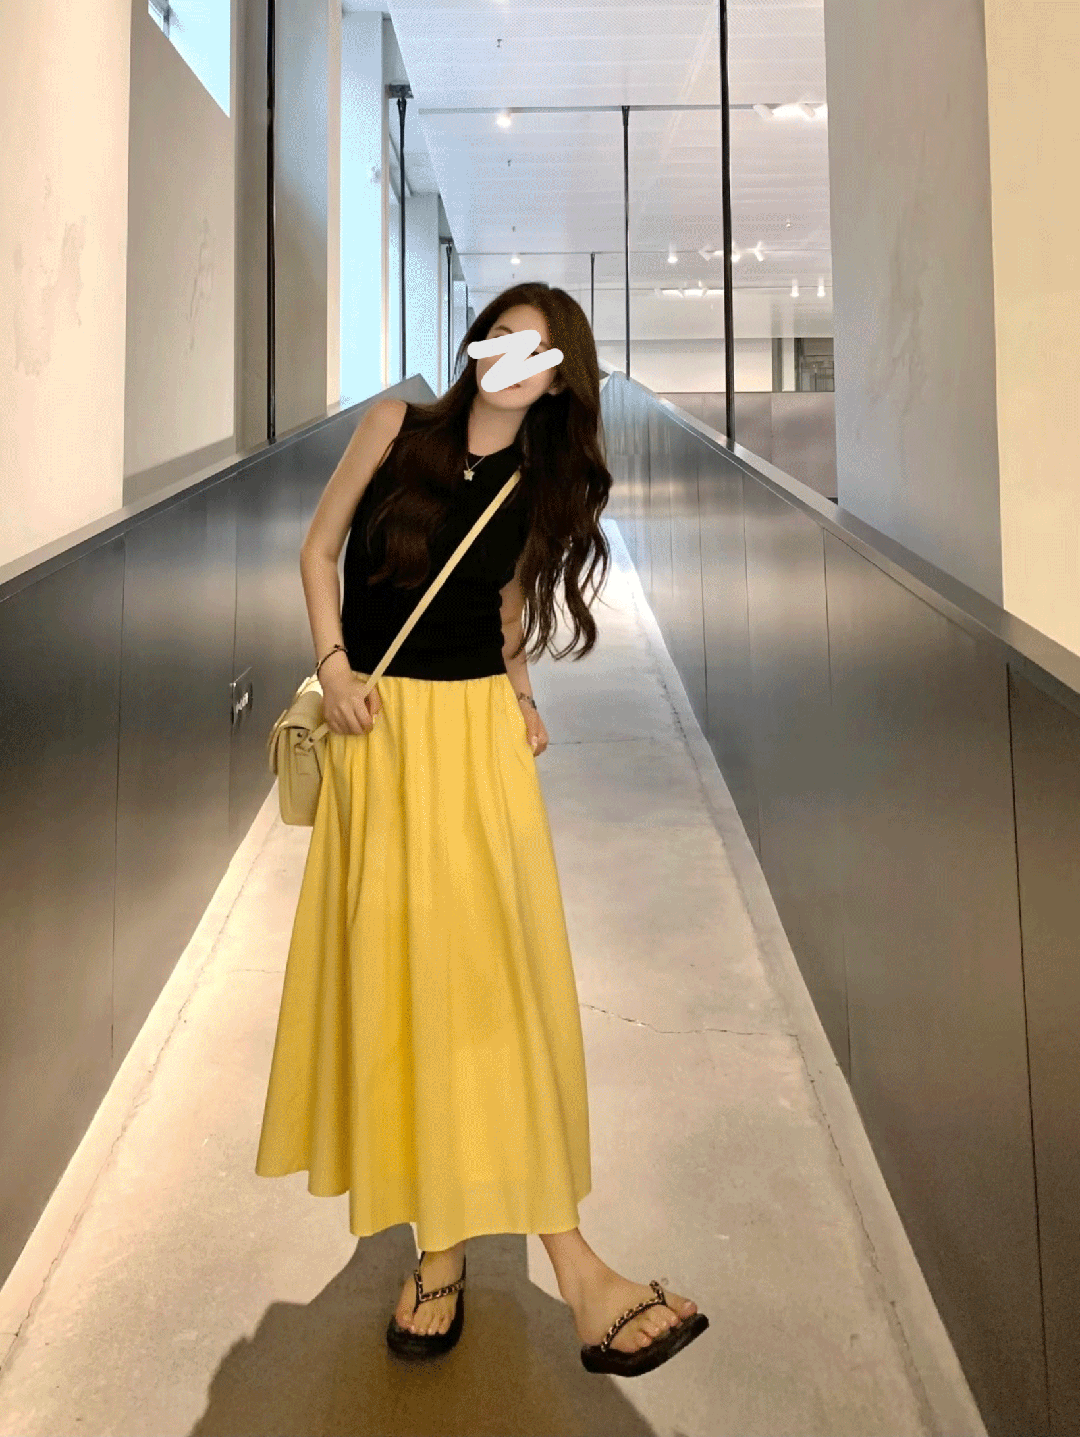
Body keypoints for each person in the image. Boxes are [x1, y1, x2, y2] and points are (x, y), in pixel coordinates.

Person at [255, 282, 706, 1375]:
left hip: (476, 742)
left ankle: (569, 1262)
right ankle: (443, 1252)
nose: (511, 356)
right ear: (476, 343)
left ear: (557, 382)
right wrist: (334, 668)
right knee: (405, 985)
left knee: (498, 986)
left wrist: (523, 695)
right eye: (501, 335)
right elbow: (317, 553)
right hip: (381, 735)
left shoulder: (536, 484)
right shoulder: (395, 425)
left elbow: (503, 610)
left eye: (536, 351)